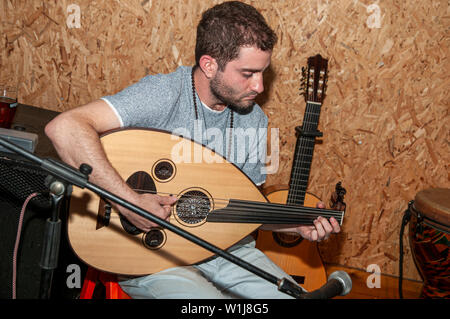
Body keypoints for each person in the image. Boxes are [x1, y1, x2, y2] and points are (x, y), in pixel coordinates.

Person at [45, 1, 340, 298]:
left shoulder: (254, 121)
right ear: (210, 65)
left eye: (263, 73)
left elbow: (240, 211)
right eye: (248, 73)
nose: (260, 86)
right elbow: (65, 128)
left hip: (226, 249)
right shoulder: (164, 94)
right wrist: (128, 202)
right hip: (153, 255)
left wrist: (296, 225)